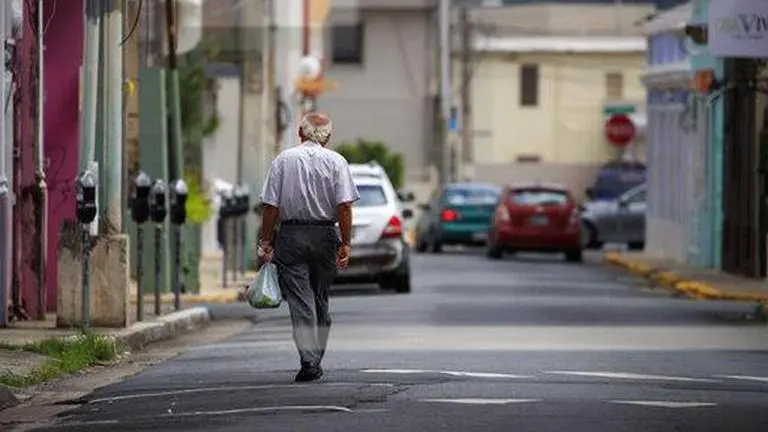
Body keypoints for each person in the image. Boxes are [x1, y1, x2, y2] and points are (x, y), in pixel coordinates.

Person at [258, 112, 360, 383]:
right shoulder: (337, 162)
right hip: (326, 234)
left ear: (301, 134)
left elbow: (270, 206)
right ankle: (314, 357)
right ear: (327, 137)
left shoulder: (283, 159)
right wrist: (346, 243)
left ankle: (309, 360)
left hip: (291, 234)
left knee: (301, 301)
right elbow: (345, 206)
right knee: (320, 298)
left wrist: (265, 241)